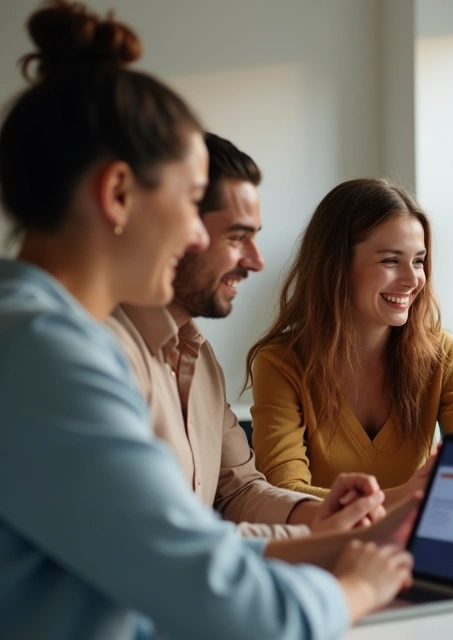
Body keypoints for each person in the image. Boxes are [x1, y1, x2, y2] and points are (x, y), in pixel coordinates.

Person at [0, 2, 418, 637]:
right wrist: (354, 590)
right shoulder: (41, 349)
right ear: (117, 194)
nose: (197, 233)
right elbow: (230, 605)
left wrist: (356, 540)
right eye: (194, 201)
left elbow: (184, 549)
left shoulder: (45, 335)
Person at [107, 132, 389, 538]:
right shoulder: (104, 353)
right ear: (174, 230)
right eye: (237, 237)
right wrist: (328, 541)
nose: (256, 261)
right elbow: (159, 539)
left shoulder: (199, 357)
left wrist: (323, 513)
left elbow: (237, 490)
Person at [248, 178, 453, 499]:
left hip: (413, 543)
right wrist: (410, 497)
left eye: (418, 261)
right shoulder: (281, 362)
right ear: (336, 266)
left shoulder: (442, 354)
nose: (412, 279)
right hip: (325, 546)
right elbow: (285, 493)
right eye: (391, 260)